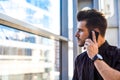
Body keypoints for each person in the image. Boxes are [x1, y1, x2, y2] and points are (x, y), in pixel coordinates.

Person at [73, 9, 120, 80]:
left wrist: (95, 57)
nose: (76, 35)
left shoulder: (117, 54)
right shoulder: (80, 59)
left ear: (94, 33)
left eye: (80, 31)